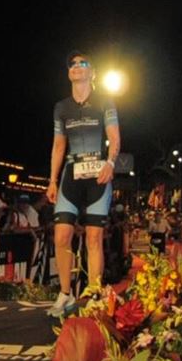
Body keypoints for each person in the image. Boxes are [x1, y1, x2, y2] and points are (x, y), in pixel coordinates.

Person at [46, 51, 121, 315]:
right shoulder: (61, 107)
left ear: (93, 73)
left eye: (83, 63)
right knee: (61, 236)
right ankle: (65, 294)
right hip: (71, 173)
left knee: (94, 237)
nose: (77, 66)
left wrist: (110, 163)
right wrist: (52, 180)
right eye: (73, 64)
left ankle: (94, 294)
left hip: (98, 174)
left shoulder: (105, 102)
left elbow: (114, 136)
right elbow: (58, 145)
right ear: (69, 73)